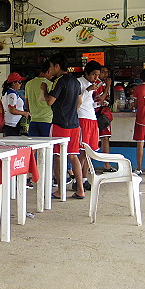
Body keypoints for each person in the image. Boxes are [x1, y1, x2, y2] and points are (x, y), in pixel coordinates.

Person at [40, 52, 85, 199]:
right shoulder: (75, 81)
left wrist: (44, 90)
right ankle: (80, 189)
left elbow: (50, 101)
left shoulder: (59, 81)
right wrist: (71, 112)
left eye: (52, 66)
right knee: (73, 156)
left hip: (60, 124)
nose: (50, 69)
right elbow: (79, 102)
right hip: (74, 124)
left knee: (58, 156)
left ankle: (60, 190)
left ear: (57, 66)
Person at [77, 61, 103, 191]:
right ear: (86, 72)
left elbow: (89, 102)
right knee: (82, 151)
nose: (95, 78)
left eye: (97, 75)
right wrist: (88, 91)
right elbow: (77, 101)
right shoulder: (79, 82)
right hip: (82, 118)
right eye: (93, 74)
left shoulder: (92, 85)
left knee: (89, 152)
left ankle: (85, 178)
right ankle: (78, 179)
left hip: (92, 118)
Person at [94, 66, 115, 172]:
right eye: (103, 72)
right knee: (101, 139)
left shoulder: (104, 83)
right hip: (98, 114)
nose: (106, 75)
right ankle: (105, 165)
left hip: (104, 113)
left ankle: (107, 164)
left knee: (105, 138)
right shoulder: (97, 84)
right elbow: (101, 98)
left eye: (107, 72)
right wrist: (108, 86)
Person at [24, 59, 53, 137]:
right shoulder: (50, 84)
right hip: (47, 121)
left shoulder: (29, 84)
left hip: (33, 121)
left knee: (34, 146)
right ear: (49, 70)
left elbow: (27, 104)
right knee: (47, 147)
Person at [1, 72, 30, 136]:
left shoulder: (10, 93)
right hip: (12, 124)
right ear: (13, 83)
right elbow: (12, 110)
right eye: (19, 82)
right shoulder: (12, 94)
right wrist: (24, 113)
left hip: (12, 123)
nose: (21, 84)